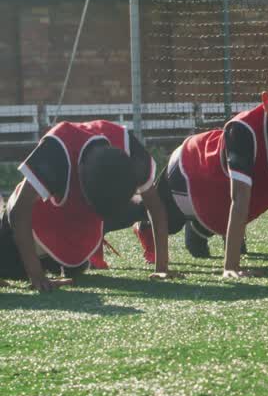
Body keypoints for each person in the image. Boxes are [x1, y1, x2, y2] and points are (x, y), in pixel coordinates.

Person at [125, 64, 268, 277]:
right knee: (163, 220)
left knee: (208, 224)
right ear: (267, 102)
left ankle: (198, 228)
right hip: (189, 170)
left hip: (218, 198)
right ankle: (136, 223)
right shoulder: (243, 131)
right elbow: (239, 198)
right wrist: (231, 266)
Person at [0, 120, 175, 292]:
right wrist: (37, 276)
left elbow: (155, 205)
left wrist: (162, 268)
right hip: (32, 233)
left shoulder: (128, 147)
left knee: (142, 205)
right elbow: (18, 210)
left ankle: (78, 257)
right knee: (11, 269)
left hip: (75, 235)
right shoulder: (56, 150)